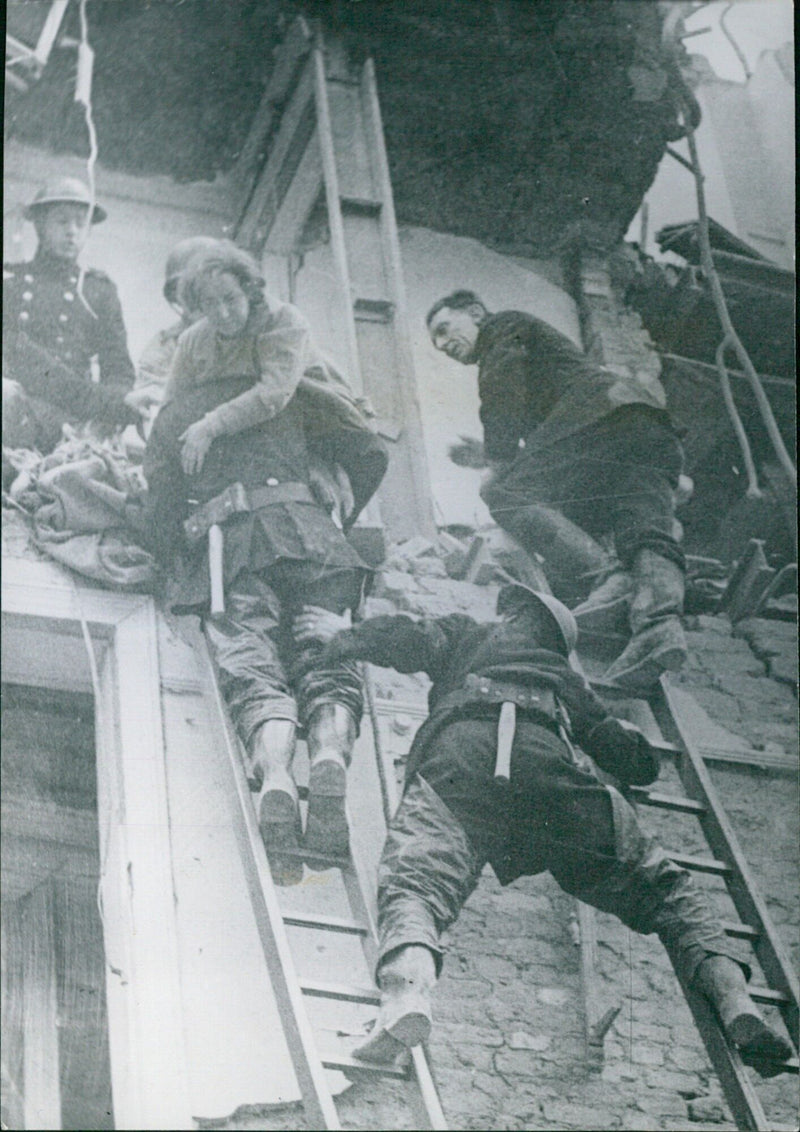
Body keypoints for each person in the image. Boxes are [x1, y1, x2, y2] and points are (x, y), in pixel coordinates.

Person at [295, 586, 794, 1073]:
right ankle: (736, 1002)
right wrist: (638, 748)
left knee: (417, 887)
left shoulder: (472, 634)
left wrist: (345, 634)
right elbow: (632, 761)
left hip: (461, 762)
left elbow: (408, 638)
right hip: (548, 774)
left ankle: (406, 1001)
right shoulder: (564, 680)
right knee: (667, 892)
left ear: (515, 617)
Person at [143, 294, 389, 883]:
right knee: (330, 662)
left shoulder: (180, 412)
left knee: (254, 672)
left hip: (233, 550)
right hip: (316, 540)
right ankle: (329, 754)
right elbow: (370, 450)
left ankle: (277, 776)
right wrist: (333, 501)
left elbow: (158, 506)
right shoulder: (295, 390)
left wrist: (172, 563)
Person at [426, 290, 688, 690]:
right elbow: (546, 431)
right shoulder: (537, 350)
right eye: (437, 342)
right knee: (643, 527)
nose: (444, 346)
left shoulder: (504, 327)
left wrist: (496, 465)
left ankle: (609, 582)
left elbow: (501, 389)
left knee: (506, 495)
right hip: (644, 426)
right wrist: (487, 453)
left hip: (599, 419)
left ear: (476, 313)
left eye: (445, 330)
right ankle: (659, 628)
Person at [3, 177, 153, 454]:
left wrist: (113, 412)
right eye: (61, 221)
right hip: (14, 407)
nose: (72, 231)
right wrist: (110, 403)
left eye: (80, 223)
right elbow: (18, 355)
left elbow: (118, 368)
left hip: (69, 418)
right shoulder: (11, 283)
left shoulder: (98, 290)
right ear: (40, 225)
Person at [134, 235, 222, 398]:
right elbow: (154, 405)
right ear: (174, 296)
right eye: (185, 288)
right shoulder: (165, 347)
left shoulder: (253, 335)